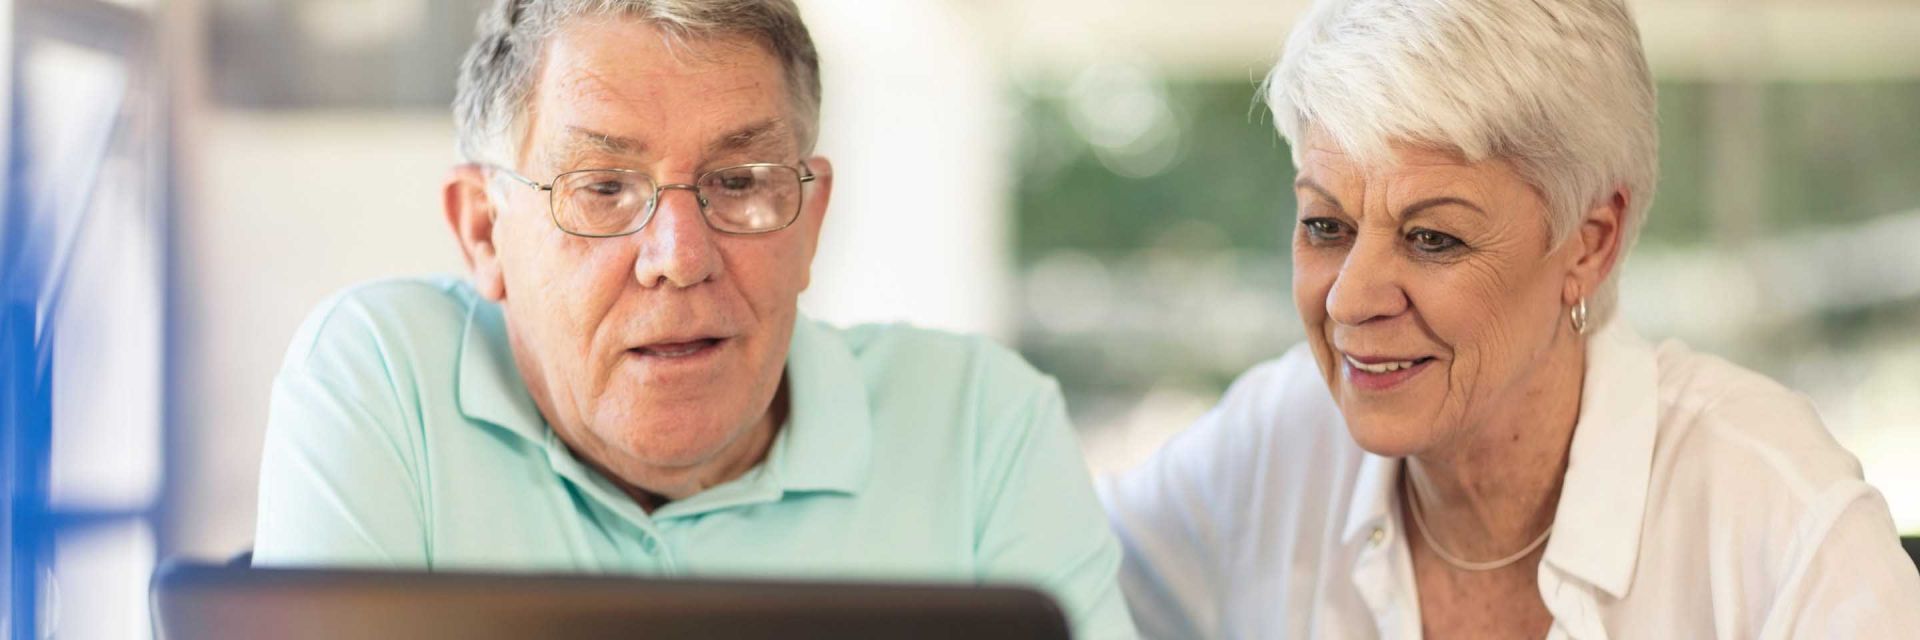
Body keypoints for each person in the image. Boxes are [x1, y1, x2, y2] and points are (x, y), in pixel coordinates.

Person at [250, 1, 1134, 637]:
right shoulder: (383, 375)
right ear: (484, 231)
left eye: (741, 183)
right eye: (602, 188)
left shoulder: (981, 421)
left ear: (810, 216)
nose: (679, 253)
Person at [1099, 0, 1920, 637]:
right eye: (1326, 226)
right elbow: (1025, 587)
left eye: (1431, 238)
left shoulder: (1771, 508)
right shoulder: (1274, 441)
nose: (1350, 300)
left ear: (1588, 248)